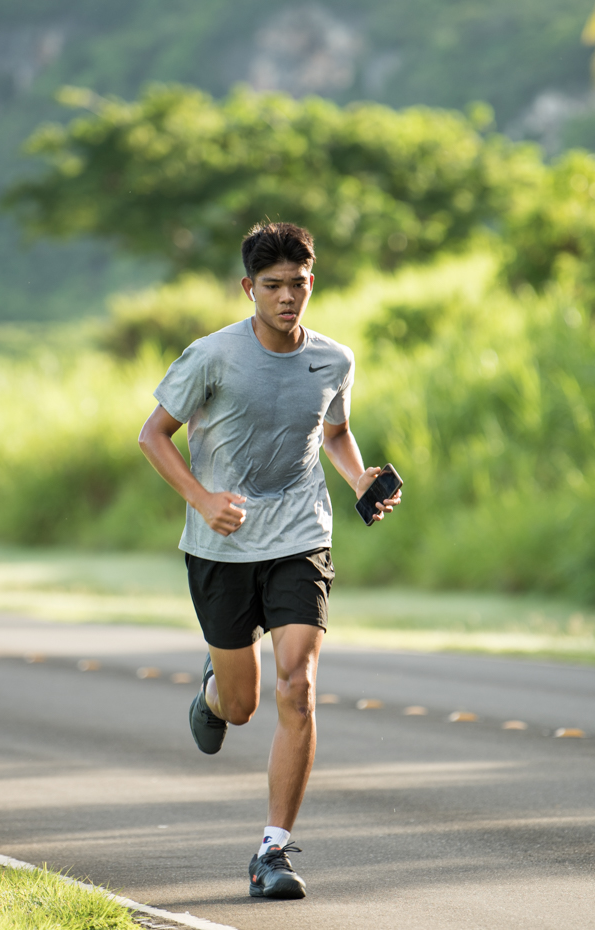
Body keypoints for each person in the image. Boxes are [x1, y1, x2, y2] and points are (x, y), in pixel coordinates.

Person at [138, 221, 402, 899]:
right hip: (221, 545)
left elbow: (335, 431)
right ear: (248, 287)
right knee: (243, 703)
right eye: (274, 286)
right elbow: (153, 435)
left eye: (299, 284)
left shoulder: (334, 360)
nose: (288, 298)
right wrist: (200, 498)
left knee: (297, 685)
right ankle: (212, 695)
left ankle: (273, 851)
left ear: (313, 282)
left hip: (300, 535)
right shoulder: (212, 357)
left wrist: (357, 479)